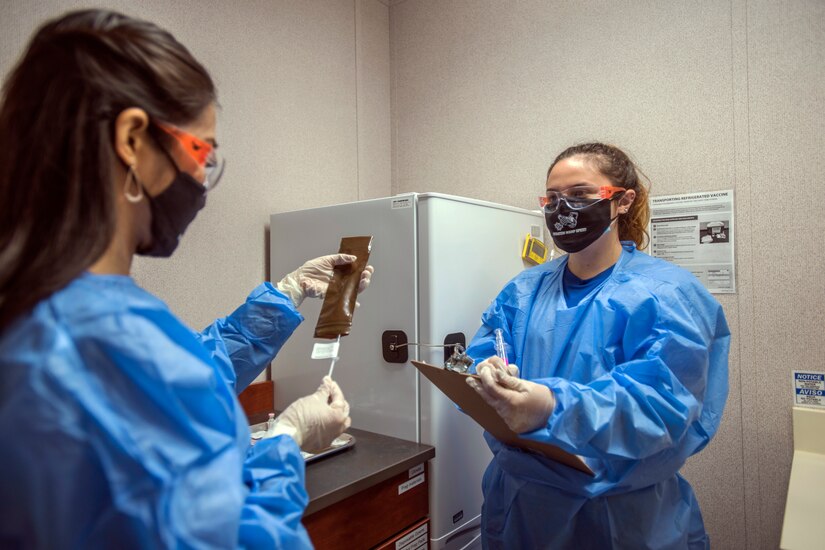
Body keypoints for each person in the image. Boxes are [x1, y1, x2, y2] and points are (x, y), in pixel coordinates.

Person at [0, 10, 373, 549]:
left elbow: (187, 373)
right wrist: (287, 441)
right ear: (132, 139)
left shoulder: (41, 313)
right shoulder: (111, 344)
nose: (201, 179)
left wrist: (287, 292)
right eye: (202, 152)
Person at [464, 143, 729, 549]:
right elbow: (488, 351)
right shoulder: (523, 289)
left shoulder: (667, 294)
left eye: (580, 195)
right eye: (552, 199)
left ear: (622, 201)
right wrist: (485, 372)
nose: (562, 208)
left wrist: (554, 406)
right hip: (521, 504)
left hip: (623, 517)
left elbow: (661, 406)